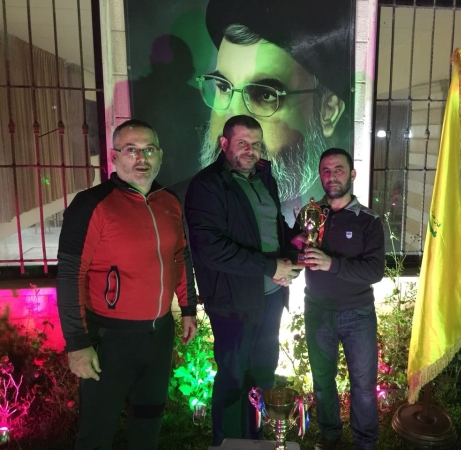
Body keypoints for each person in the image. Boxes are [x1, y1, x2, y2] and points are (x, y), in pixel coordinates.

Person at [56, 119, 198, 450]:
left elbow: (180, 256)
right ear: (114, 156)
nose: (141, 158)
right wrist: (77, 343)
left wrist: (188, 308)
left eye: (149, 149)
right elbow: (70, 275)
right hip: (109, 337)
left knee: (148, 421)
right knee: (97, 431)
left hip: (159, 333)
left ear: (160, 154)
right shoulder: (92, 204)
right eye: (131, 150)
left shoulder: (169, 201)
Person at [185, 114, 303, 446]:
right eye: (242, 143)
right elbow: (210, 249)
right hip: (232, 303)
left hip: (270, 297)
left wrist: (293, 251)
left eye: (255, 144)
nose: (250, 150)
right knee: (233, 378)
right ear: (224, 144)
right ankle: (228, 443)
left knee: (263, 373)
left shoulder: (264, 178)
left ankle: (256, 439)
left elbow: (273, 229)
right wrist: (270, 266)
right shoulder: (207, 185)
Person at [198, 0, 354, 220]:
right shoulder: (179, 212)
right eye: (224, 87)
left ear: (328, 111)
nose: (233, 129)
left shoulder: (339, 220)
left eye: (265, 95)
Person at [297, 148, 385, 450]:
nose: (331, 176)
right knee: (322, 382)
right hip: (317, 311)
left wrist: (331, 264)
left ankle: (365, 443)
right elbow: (296, 250)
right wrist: (291, 260)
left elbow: (374, 271)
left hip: (357, 313)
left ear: (352, 174)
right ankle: (331, 437)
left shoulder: (368, 220)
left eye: (338, 170)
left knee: (364, 386)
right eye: (326, 170)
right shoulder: (310, 215)